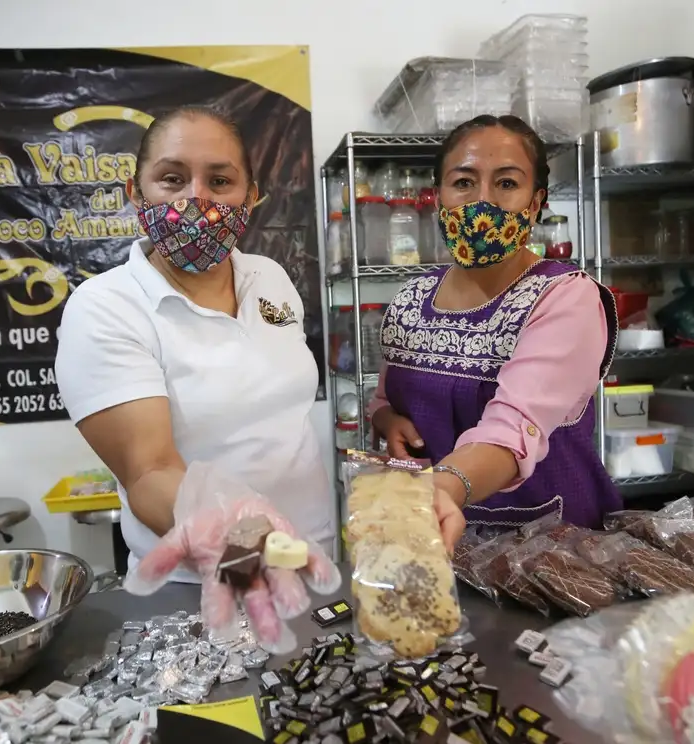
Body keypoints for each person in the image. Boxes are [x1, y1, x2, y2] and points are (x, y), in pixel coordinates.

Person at [55, 106, 339, 652]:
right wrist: (227, 532)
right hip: (196, 590)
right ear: (135, 193)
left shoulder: (271, 279)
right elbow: (149, 471)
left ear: (251, 197)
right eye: (172, 178)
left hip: (311, 561)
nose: (195, 198)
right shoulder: (106, 308)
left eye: (220, 181)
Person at [370, 115, 622, 547]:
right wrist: (386, 419)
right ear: (438, 196)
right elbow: (386, 396)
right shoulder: (412, 297)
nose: (482, 201)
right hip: (437, 538)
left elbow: (514, 426)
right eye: (463, 182)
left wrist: (445, 487)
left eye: (506, 183)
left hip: (548, 546)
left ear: (535, 202)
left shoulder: (564, 297)